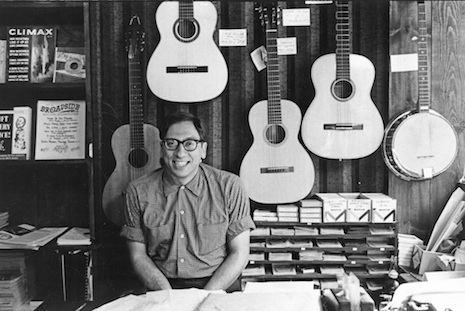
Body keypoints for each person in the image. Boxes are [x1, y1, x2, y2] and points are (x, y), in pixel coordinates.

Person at [121, 111, 255, 292]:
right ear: (162, 148)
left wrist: (205, 297)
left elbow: (239, 253)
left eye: (190, 144)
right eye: (171, 144)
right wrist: (169, 298)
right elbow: (137, 255)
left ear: (203, 150)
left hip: (219, 285)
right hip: (161, 285)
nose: (180, 152)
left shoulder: (230, 186)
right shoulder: (137, 191)